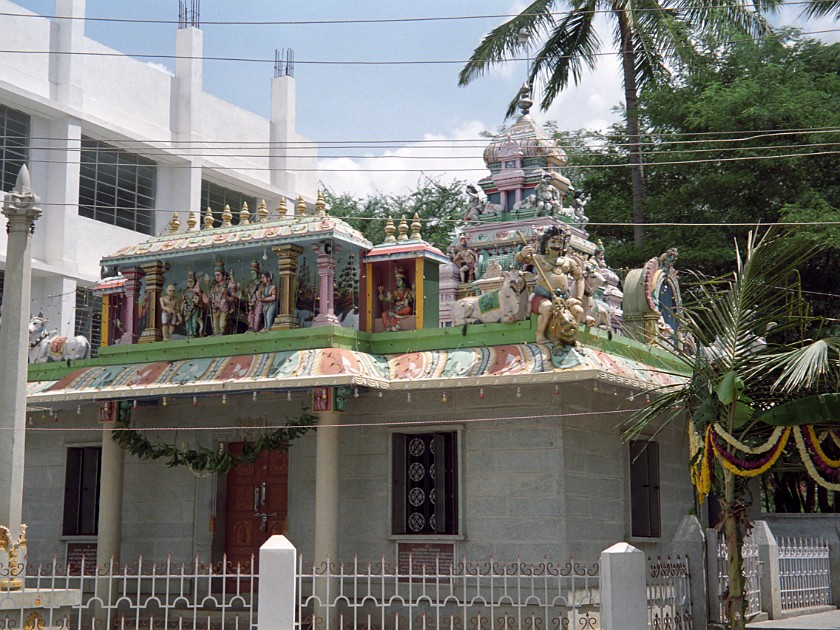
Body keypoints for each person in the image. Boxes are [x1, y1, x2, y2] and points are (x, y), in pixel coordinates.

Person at [515, 226, 585, 344]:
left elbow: (580, 279)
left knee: (578, 311)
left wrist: (578, 298)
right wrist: (522, 253)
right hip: (543, 296)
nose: (557, 245)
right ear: (545, 244)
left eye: (560, 242)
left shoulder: (569, 262)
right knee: (548, 309)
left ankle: (573, 336)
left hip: (564, 298)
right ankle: (540, 334)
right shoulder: (538, 258)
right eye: (553, 241)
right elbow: (519, 259)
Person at [205, 259, 238, 335]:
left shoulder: (227, 284)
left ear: (223, 275)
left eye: (218, 275)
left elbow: (234, 296)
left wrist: (231, 291)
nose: (217, 277)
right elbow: (210, 296)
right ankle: (216, 334)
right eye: (215, 275)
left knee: (222, 324)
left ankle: (222, 333)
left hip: (224, 307)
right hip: (215, 308)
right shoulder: (214, 286)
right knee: (215, 324)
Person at [378, 267, 414, 332]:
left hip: (403, 309)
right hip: (395, 308)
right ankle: (388, 327)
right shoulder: (395, 291)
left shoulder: (407, 290)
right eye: (397, 280)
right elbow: (392, 300)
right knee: (384, 314)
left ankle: (395, 315)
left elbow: (411, 300)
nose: (398, 282)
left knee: (408, 309)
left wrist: (413, 294)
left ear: (403, 281)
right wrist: (384, 298)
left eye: (399, 280)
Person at [181, 270, 205, 338]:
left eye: (192, 281)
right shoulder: (184, 291)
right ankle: (189, 333)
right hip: (186, 308)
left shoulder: (197, 290)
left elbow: (200, 299)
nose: (190, 283)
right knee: (187, 321)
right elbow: (183, 301)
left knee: (194, 321)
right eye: (188, 281)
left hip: (195, 308)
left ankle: (194, 333)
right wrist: (181, 310)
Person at [245, 260, 262, 332]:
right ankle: (251, 327)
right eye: (251, 273)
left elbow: (261, 292)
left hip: (259, 301)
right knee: (250, 316)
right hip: (251, 301)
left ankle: (255, 328)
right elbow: (247, 294)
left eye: (254, 273)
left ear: (257, 274)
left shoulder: (260, 283)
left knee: (257, 315)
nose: (252, 275)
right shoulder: (249, 284)